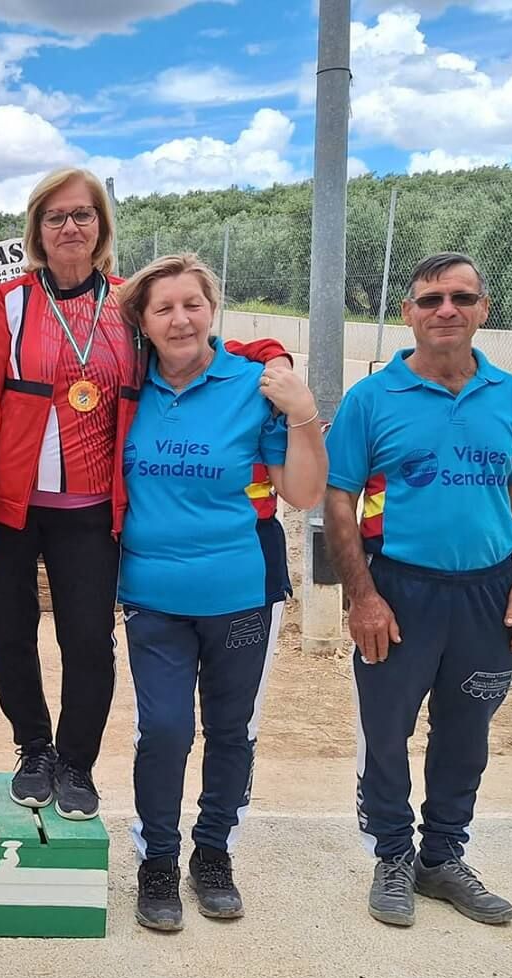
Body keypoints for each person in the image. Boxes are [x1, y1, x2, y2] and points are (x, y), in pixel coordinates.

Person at [0, 167, 291, 819]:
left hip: (92, 517)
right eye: (56, 217)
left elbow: (204, 343)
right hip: (14, 513)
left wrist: (274, 354)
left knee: (87, 643)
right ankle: (34, 749)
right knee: (10, 636)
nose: (70, 227)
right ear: (37, 231)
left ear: (102, 227)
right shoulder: (8, 306)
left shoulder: (127, 303)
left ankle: (75, 763)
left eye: (83, 215)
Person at [324, 252, 512, 928]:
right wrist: (363, 595)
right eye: (429, 300)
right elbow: (339, 502)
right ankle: (393, 856)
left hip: (489, 595)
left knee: (466, 731)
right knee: (386, 732)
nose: (444, 310)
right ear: (407, 314)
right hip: (399, 591)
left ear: (483, 309)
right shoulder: (371, 399)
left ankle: (442, 859)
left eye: (459, 297)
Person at [112, 254, 327, 932]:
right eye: (163, 308)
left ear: (212, 309)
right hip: (150, 591)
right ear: (142, 323)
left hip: (240, 590)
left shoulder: (251, 381)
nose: (180, 318)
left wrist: (304, 413)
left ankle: (213, 853)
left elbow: (303, 492)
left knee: (232, 731)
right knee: (167, 729)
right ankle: (157, 858)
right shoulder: (124, 387)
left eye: (192, 304)